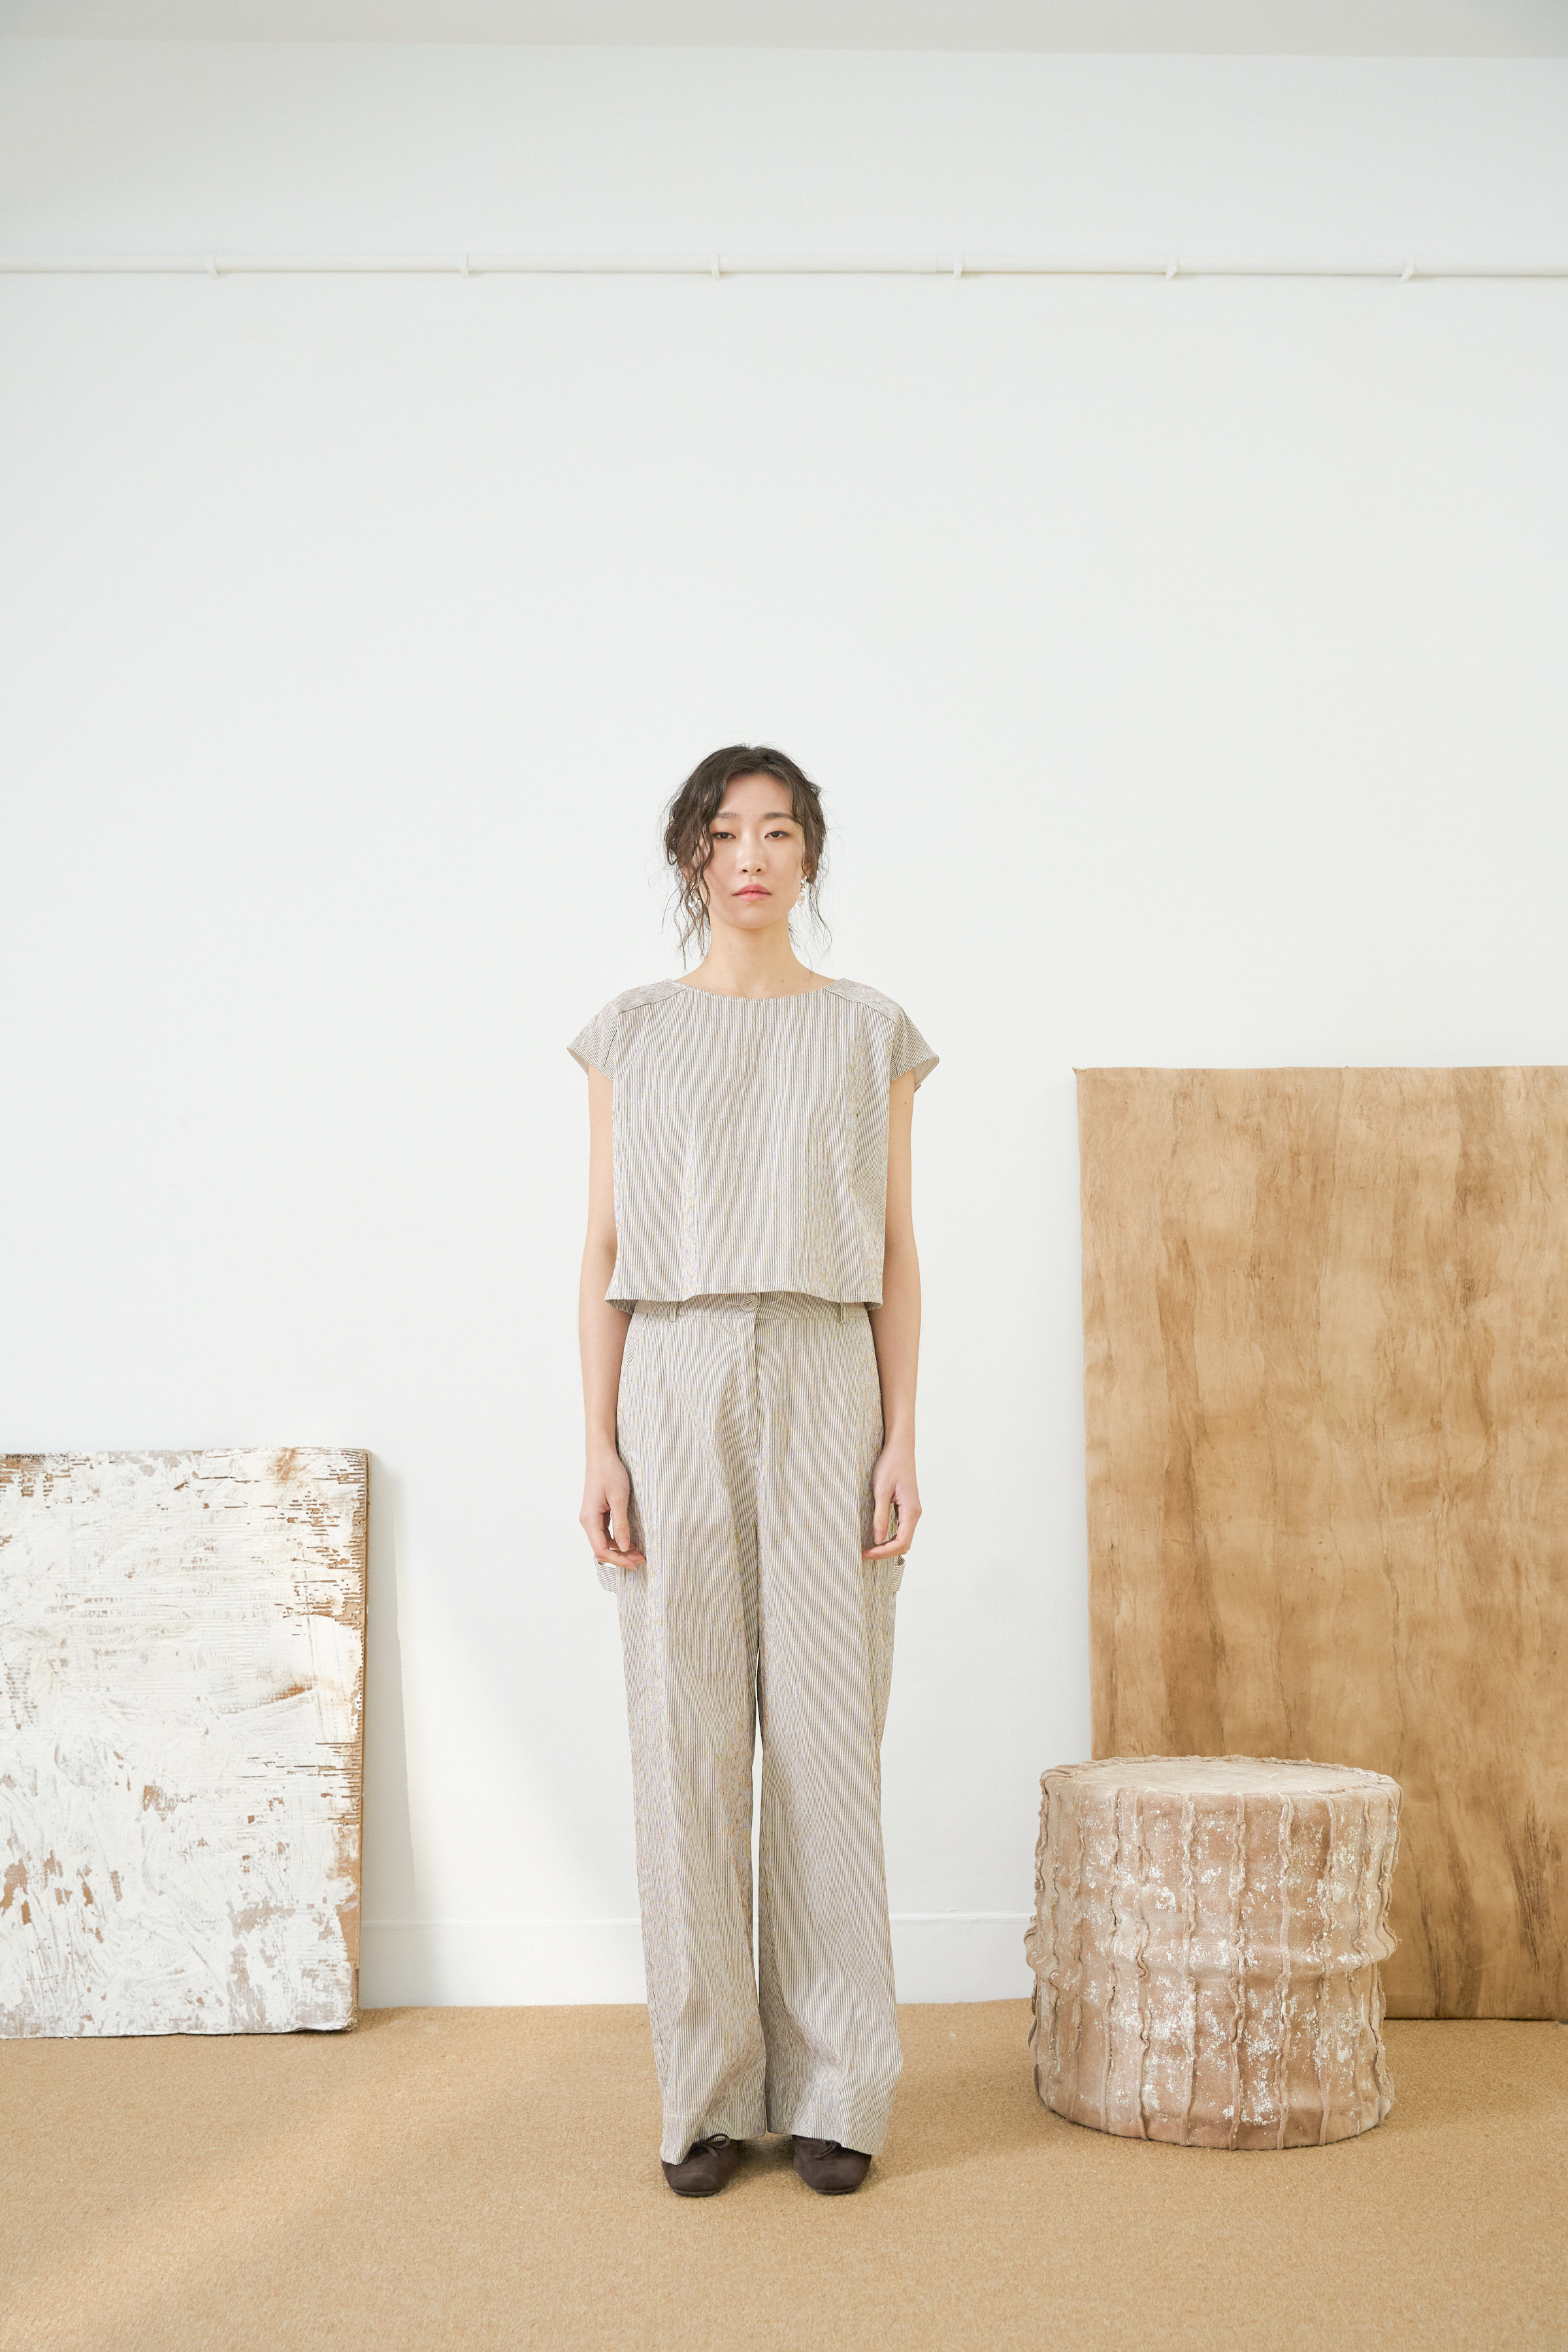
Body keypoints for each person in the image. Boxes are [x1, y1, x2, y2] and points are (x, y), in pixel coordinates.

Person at [568, 743, 938, 2199]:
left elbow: (897, 1248)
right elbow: (602, 1251)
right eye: (725, 834)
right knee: (687, 1741)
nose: (752, 858)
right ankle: (708, 2092)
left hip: (827, 1372)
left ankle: (840, 2084)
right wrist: (597, 1440)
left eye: (779, 833)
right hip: (672, 1374)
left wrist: (902, 1432)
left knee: (830, 1746)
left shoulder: (870, 1031)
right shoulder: (629, 1034)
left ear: (809, 856)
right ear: (691, 858)